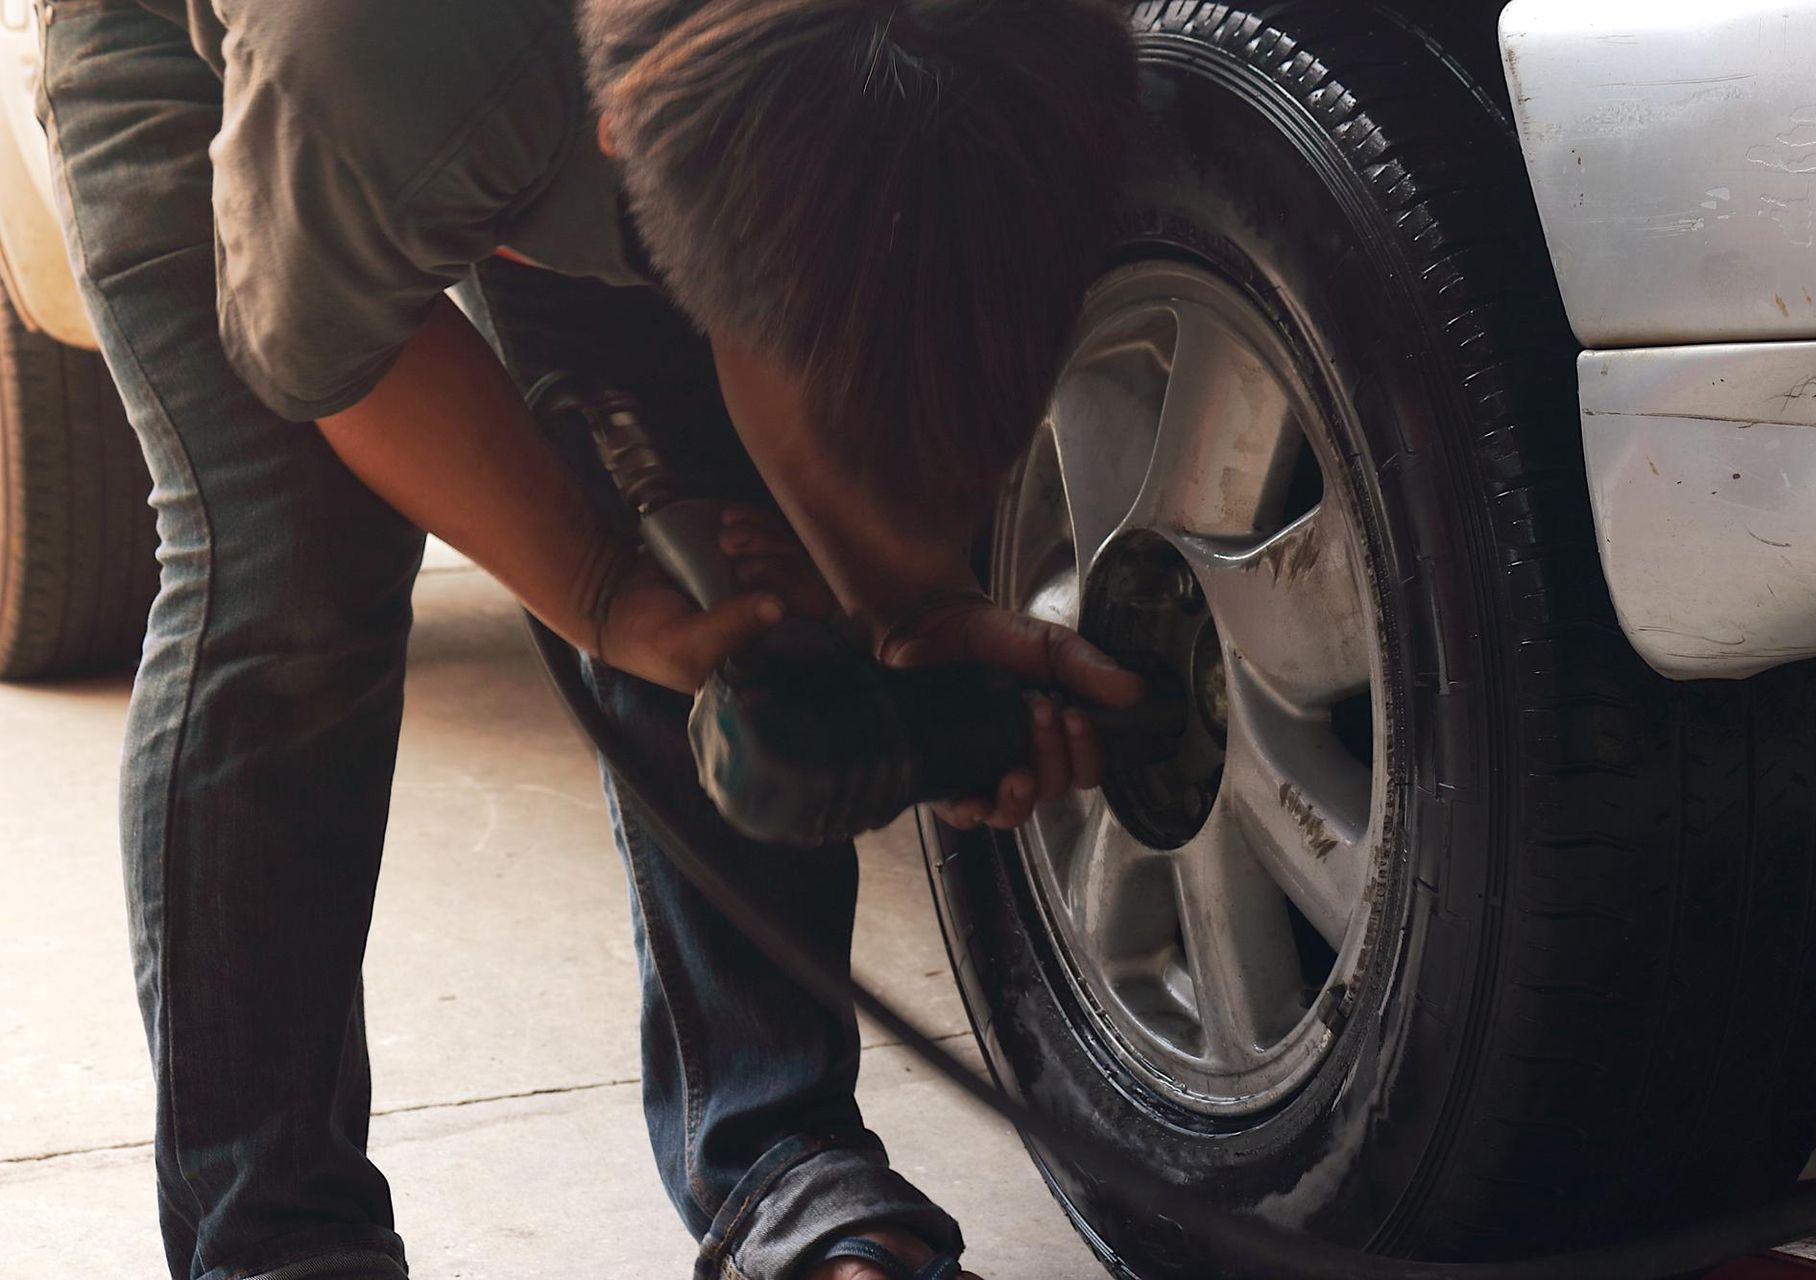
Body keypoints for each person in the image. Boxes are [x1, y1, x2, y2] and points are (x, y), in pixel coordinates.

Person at [36, 0, 1139, 1277]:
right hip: (231, 71)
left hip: (568, 84)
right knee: (290, 585)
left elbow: (793, 310)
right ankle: (278, 1235)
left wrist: (910, 605)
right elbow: (330, 352)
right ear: (625, 130)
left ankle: (782, 1158)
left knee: (731, 564)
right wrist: (607, 595)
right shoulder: (376, 49)